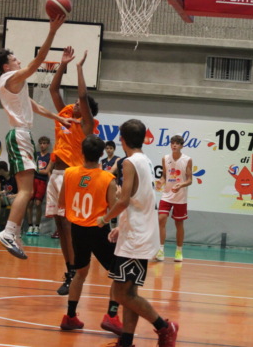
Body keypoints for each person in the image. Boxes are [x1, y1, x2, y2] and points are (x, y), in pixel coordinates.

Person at [0, 15, 69, 259]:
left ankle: (14, 233)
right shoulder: (9, 78)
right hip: (19, 135)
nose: (18, 61)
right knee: (26, 191)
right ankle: (8, 232)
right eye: (14, 59)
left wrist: (58, 118)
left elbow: (33, 105)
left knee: (26, 190)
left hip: (21, 135)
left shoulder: (15, 86)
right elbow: (36, 63)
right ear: (6, 66)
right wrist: (52, 31)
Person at [97, 119, 179, 347]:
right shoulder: (145, 160)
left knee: (122, 294)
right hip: (136, 231)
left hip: (136, 237)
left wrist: (105, 219)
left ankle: (165, 327)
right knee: (128, 291)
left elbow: (124, 200)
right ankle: (126, 342)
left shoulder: (129, 162)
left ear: (122, 139)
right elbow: (139, 200)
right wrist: (121, 227)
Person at [46, 45, 100, 295]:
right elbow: (53, 89)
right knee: (60, 226)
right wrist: (63, 64)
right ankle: (69, 271)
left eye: (79, 104)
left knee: (69, 226)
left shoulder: (87, 125)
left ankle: (78, 270)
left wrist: (79, 68)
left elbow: (82, 95)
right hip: (55, 175)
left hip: (72, 176)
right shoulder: (65, 116)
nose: (74, 104)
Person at [58, 135, 123, 336]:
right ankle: (112, 315)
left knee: (80, 273)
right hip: (97, 229)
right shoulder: (107, 178)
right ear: (102, 154)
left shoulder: (69, 173)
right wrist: (119, 196)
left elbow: (62, 202)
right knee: (119, 273)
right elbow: (114, 209)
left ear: (81, 152)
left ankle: (70, 316)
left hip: (77, 229)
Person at [155, 135, 193, 262]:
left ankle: (179, 251)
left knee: (179, 224)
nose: (174, 145)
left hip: (180, 197)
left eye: (177, 143)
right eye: (172, 143)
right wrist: (160, 182)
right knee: (161, 219)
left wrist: (181, 185)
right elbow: (164, 176)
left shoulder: (187, 160)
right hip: (166, 195)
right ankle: (160, 250)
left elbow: (190, 180)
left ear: (181, 145)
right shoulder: (165, 158)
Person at [28, 136, 52, 236]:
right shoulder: (35, 155)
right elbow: (30, 167)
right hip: (32, 180)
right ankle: (30, 225)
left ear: (48, 144)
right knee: (30, 203)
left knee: (38, 204)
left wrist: (36, 170)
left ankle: (37, 226)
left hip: (42, 181)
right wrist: (38, 170)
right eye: (41, 143)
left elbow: (47, 171)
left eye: (44, 143)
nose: (42, 145)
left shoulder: (50, 156)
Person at [0, 160, 17, 231]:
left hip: (14, 197)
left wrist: (13, 196)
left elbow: (21, 192)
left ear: (1, 170)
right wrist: (1, 192)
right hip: (5, 197)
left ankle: (13, 225)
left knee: (15, 202)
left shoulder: (15, 176)